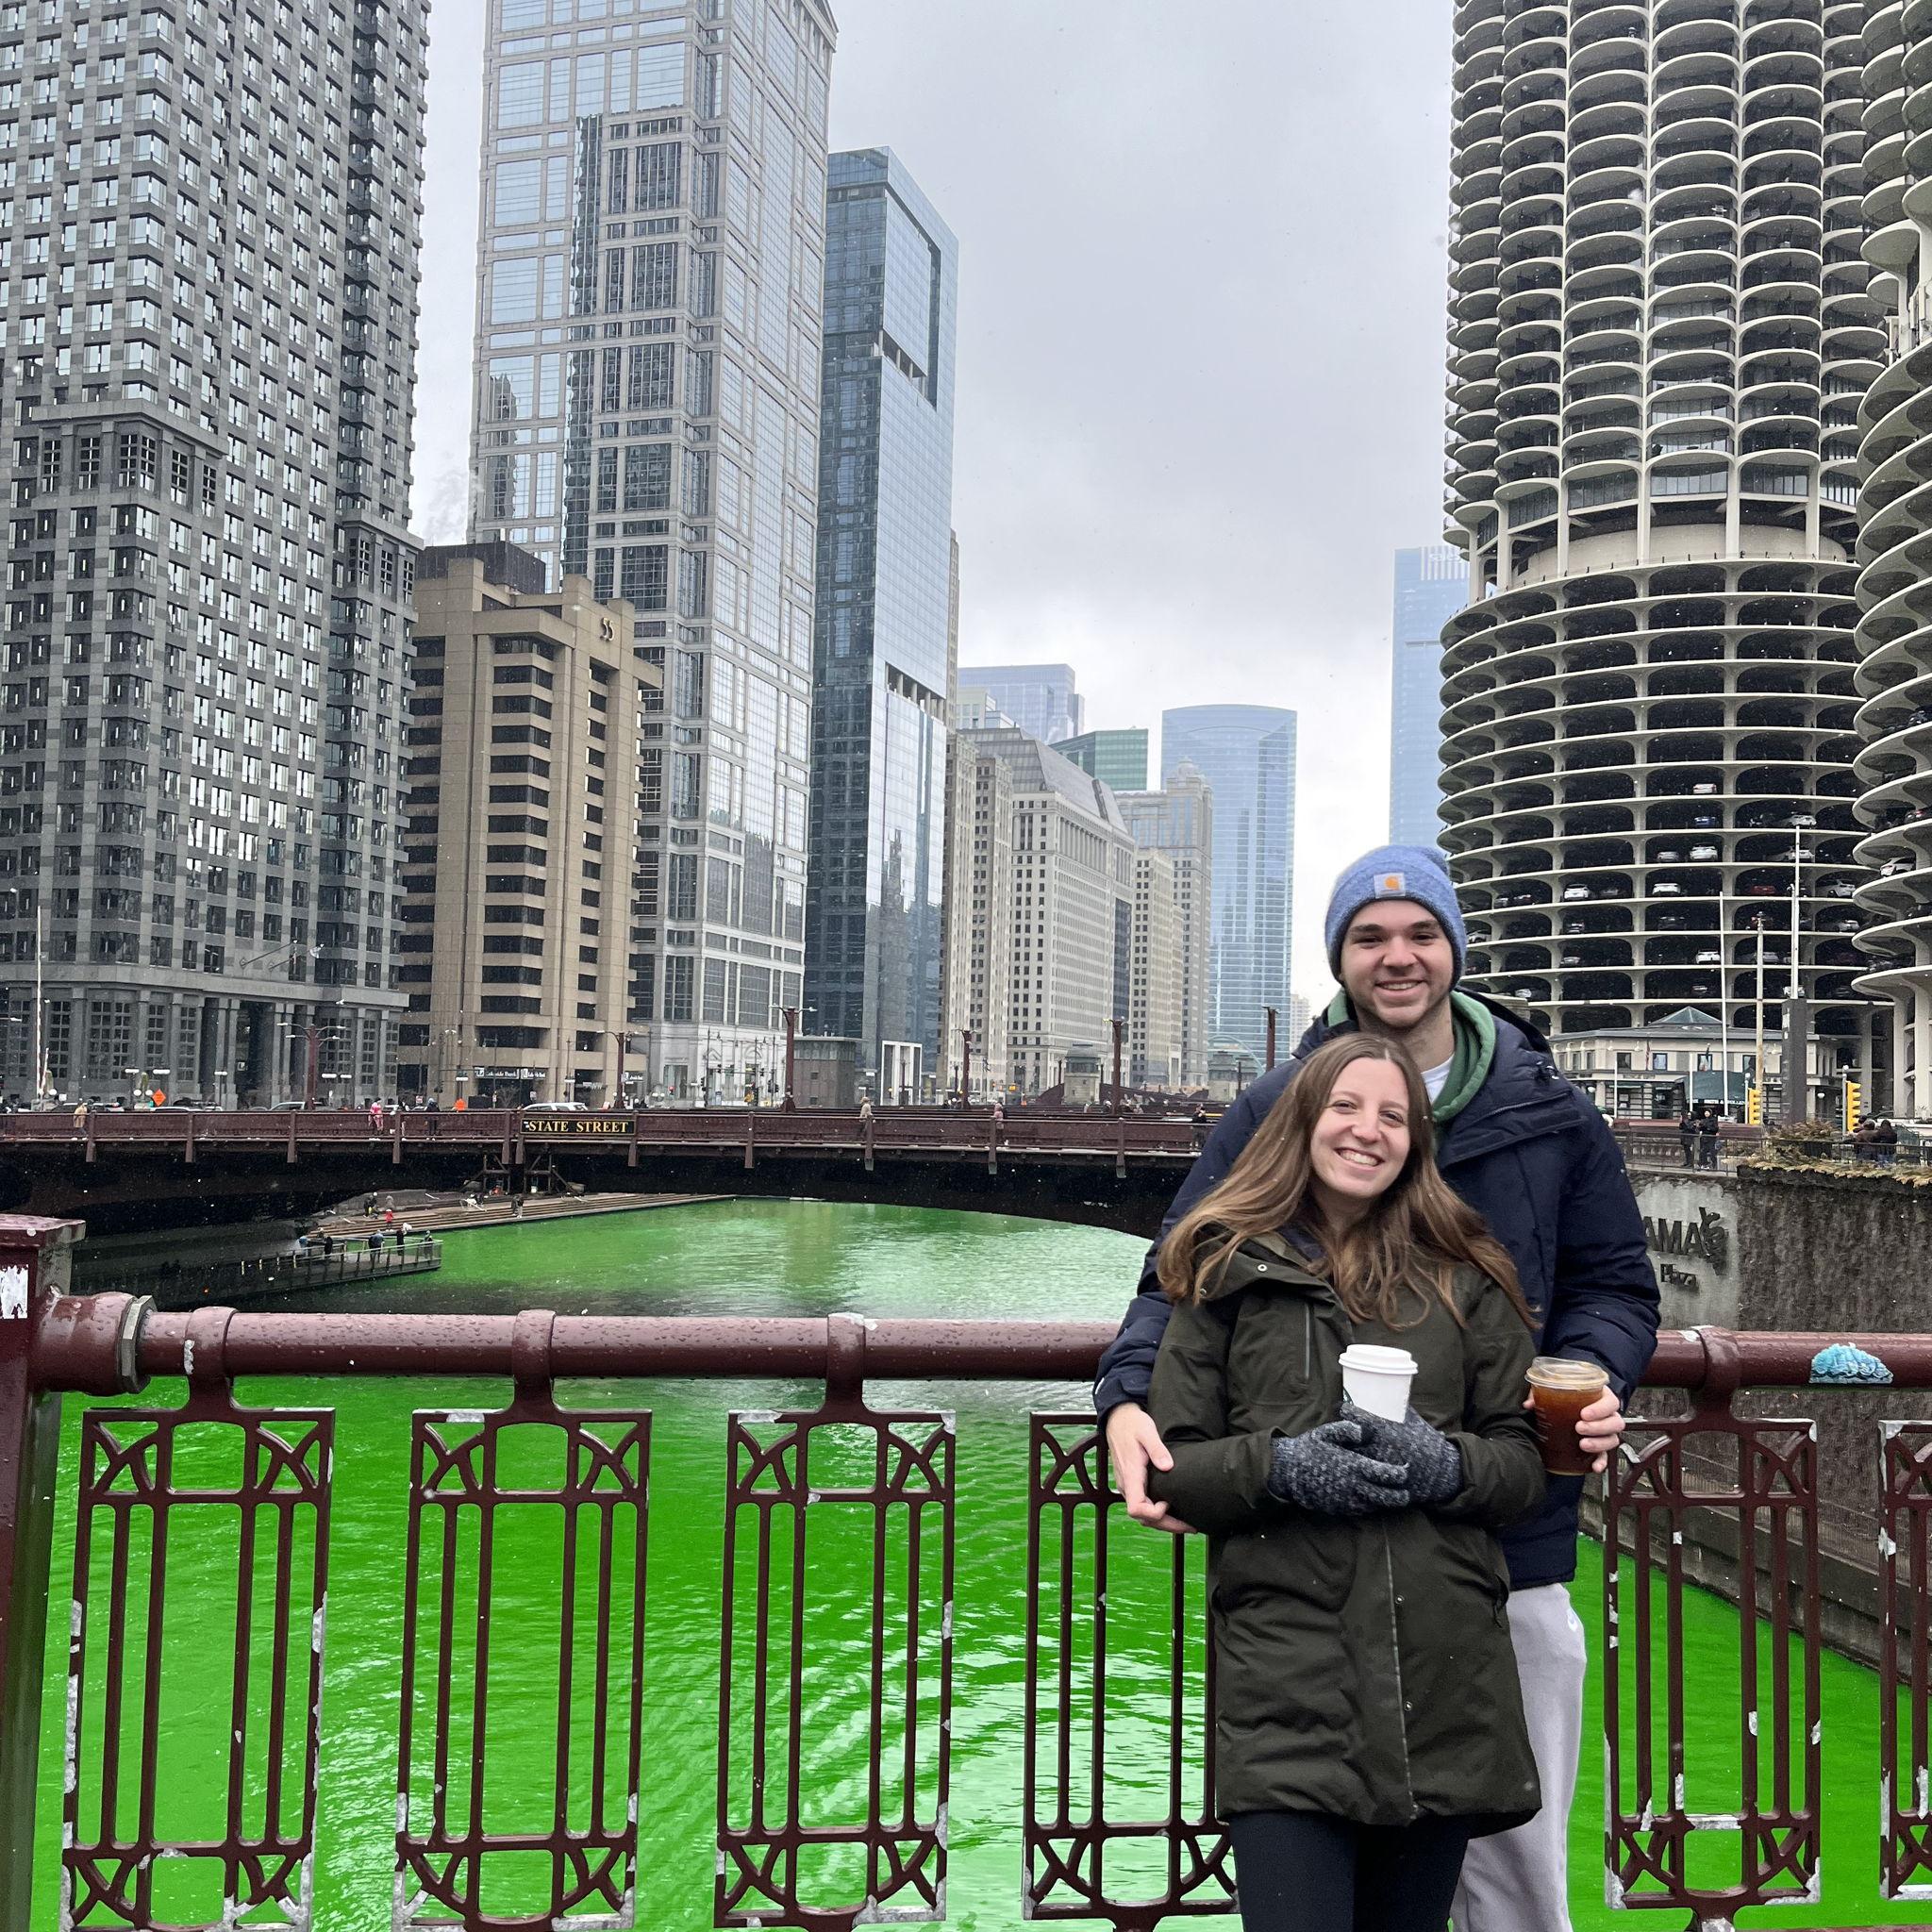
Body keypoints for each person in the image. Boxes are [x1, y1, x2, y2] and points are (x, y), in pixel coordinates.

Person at [1095, 844, 1659, 1932]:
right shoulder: (1275, 1101)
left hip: (1504, 1543)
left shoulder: (1548, 1107)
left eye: (1419, 933)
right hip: (1309, 1582)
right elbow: (1177, 1272)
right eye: (1367, 936)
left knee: (1516, 1878)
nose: (1396, 956)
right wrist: (1125, 1395)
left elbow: (1613, 1283)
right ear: (1338, 958)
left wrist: (1589, 1377)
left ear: (1453, 950)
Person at [1148, 1033, 1546, 1930]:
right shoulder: (1224, 1268)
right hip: (1288, 1687)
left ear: (1416, 1143)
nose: (1369, 1130)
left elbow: (1524, 1469)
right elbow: (1174, 1469)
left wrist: (1444, 1464)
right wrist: (1285, 1468)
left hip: (1439, 1682)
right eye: (1346, 1107)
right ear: (1302, 1122)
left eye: (1394, 1116)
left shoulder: (1466, 1276)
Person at [1695, 1104, 1721, 1171]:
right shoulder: (1703, 1120)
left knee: (1712, 1152)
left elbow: (1715, 1129)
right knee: (1703, 1152)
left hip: (1711, 1137)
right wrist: (1700, 1128)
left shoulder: (1713, 1120)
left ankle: (1714, 1165)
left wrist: (1708, 1128)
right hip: (1704, 1137)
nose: (1706, 1113)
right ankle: (1704, 1164)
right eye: (1705, 1112)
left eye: (1707, 1112)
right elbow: (1699, 1128)